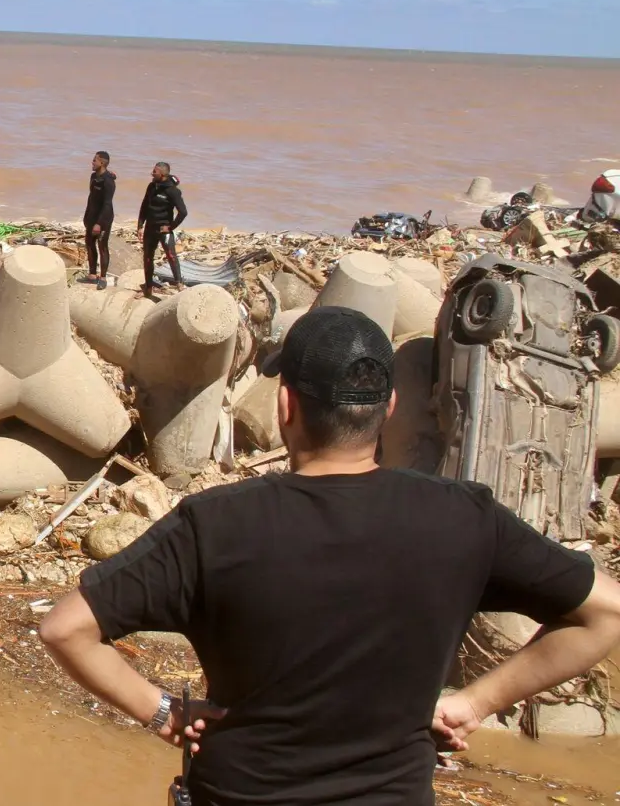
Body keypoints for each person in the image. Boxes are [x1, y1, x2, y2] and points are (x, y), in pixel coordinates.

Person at [40, 307, 620, 806]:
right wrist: (477, 701)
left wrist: (162, 710)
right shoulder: (464, 517)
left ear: (286, 405)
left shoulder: (214, 524)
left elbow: (66, 628)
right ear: (388, 407)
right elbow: (606, 614)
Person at [136, 161, 187, 296]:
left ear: (163, 174)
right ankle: (148, 288)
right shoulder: (152, 186)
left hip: (163, 229)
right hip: (150, 229)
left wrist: (170, 227)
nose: (152, 173)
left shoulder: (173, 191)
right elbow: (144, 206)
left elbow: (183, 212)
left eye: (155, 171)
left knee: (171, 256)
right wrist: (140, 226)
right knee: (147, 258)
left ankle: (179, 284)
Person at [83, 151, 116, 287]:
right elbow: (91, 198)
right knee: (89, 243)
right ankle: (92, 274)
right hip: (91, 216)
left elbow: (107, 204)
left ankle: (102, 278)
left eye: (94, 161)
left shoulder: (108, 181)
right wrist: (87, 216)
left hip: (104, 218)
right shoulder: (93, 177)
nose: (92, 163)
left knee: (102, 246)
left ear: (102, 163)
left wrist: (99, 224)